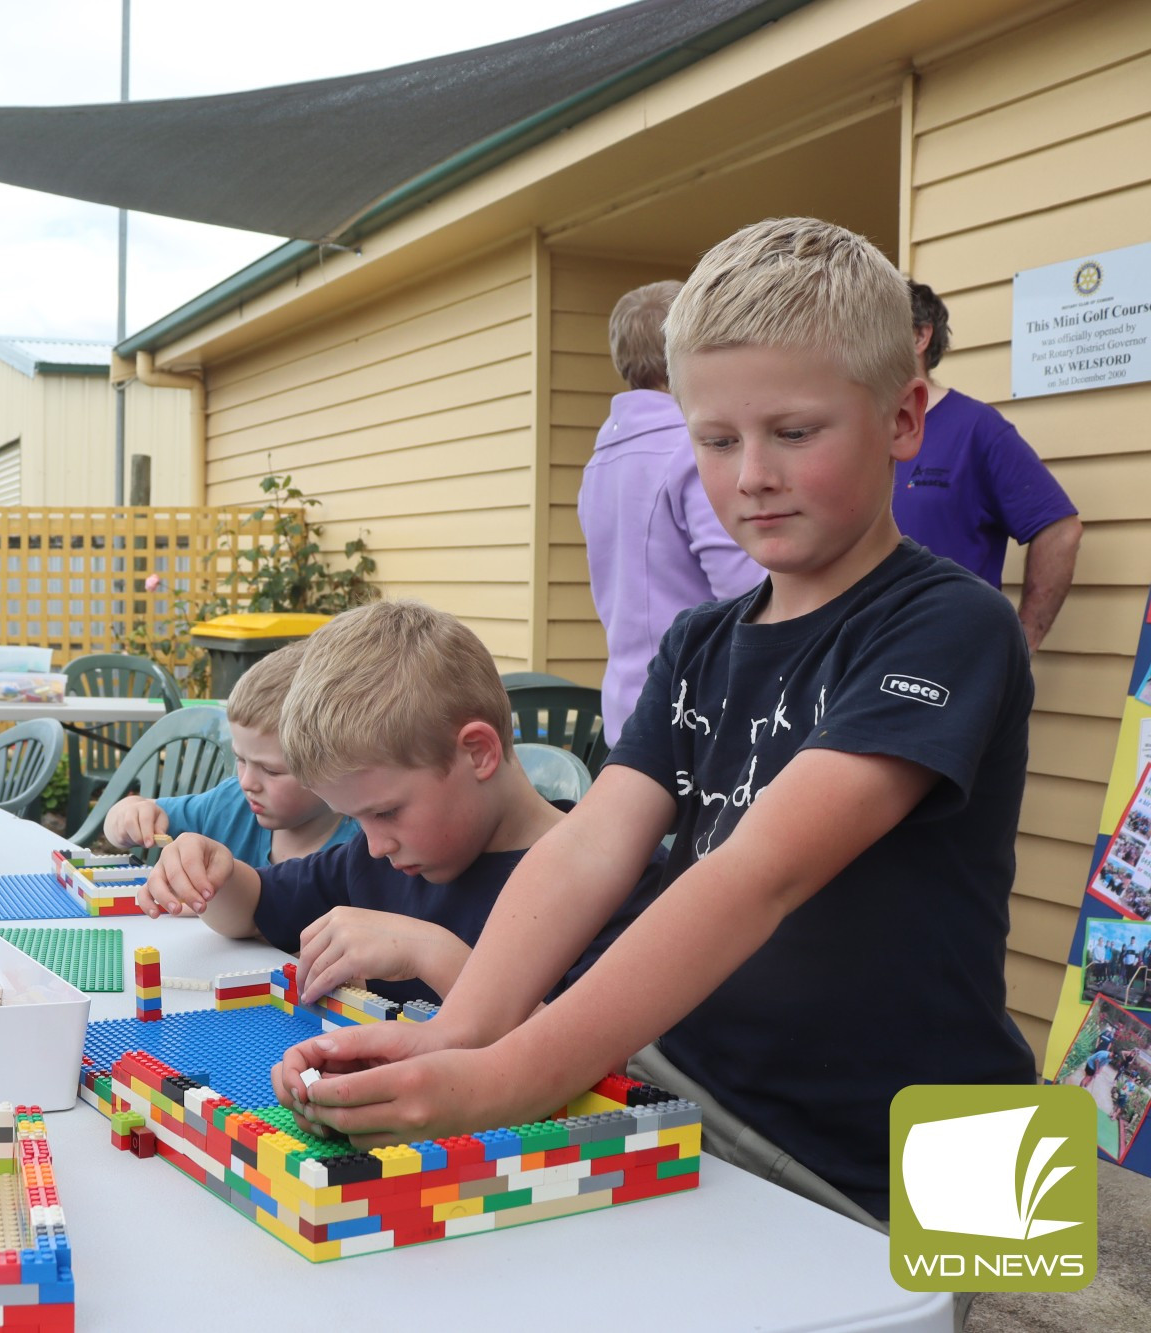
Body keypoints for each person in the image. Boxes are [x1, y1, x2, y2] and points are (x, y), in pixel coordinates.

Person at [276, 218, 1036, 1228]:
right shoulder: (698, 640)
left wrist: (510, 1075)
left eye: (792, 432)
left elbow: (759, 871)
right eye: (714, 440)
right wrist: (459, 1032)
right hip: (718, 1093)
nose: (748, 474)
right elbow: (590, 843)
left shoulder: (954, 622)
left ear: (901, 418)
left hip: (941, 1139)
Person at [141, 601, 660, 1007]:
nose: (373, 842)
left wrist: (431, 954)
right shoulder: (375, 862)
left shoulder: (615, 882)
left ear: (477, 752)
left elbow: (591, 1067)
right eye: (354, 818)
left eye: (386, 812)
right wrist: (215, 874)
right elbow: (254, 911)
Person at [580, 280, 763, 746]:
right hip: (697, 711)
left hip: (625, 705)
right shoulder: (688, 449)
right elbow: (745, 588)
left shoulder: (601, 460)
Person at [894, 281, 1081, 652]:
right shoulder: (859, 430)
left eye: (876, 327)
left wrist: (1023, 641)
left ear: (920, 336)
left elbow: (1061, 531)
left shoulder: (977, 427)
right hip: (862, 659)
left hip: (954, 661)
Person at [103, 642, 356, 869]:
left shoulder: (366, 847)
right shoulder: (230, 803)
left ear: (336, 765)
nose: (247, 782)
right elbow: (123, 819)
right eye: (241, 759)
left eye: (271, 770)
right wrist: (129, 816)